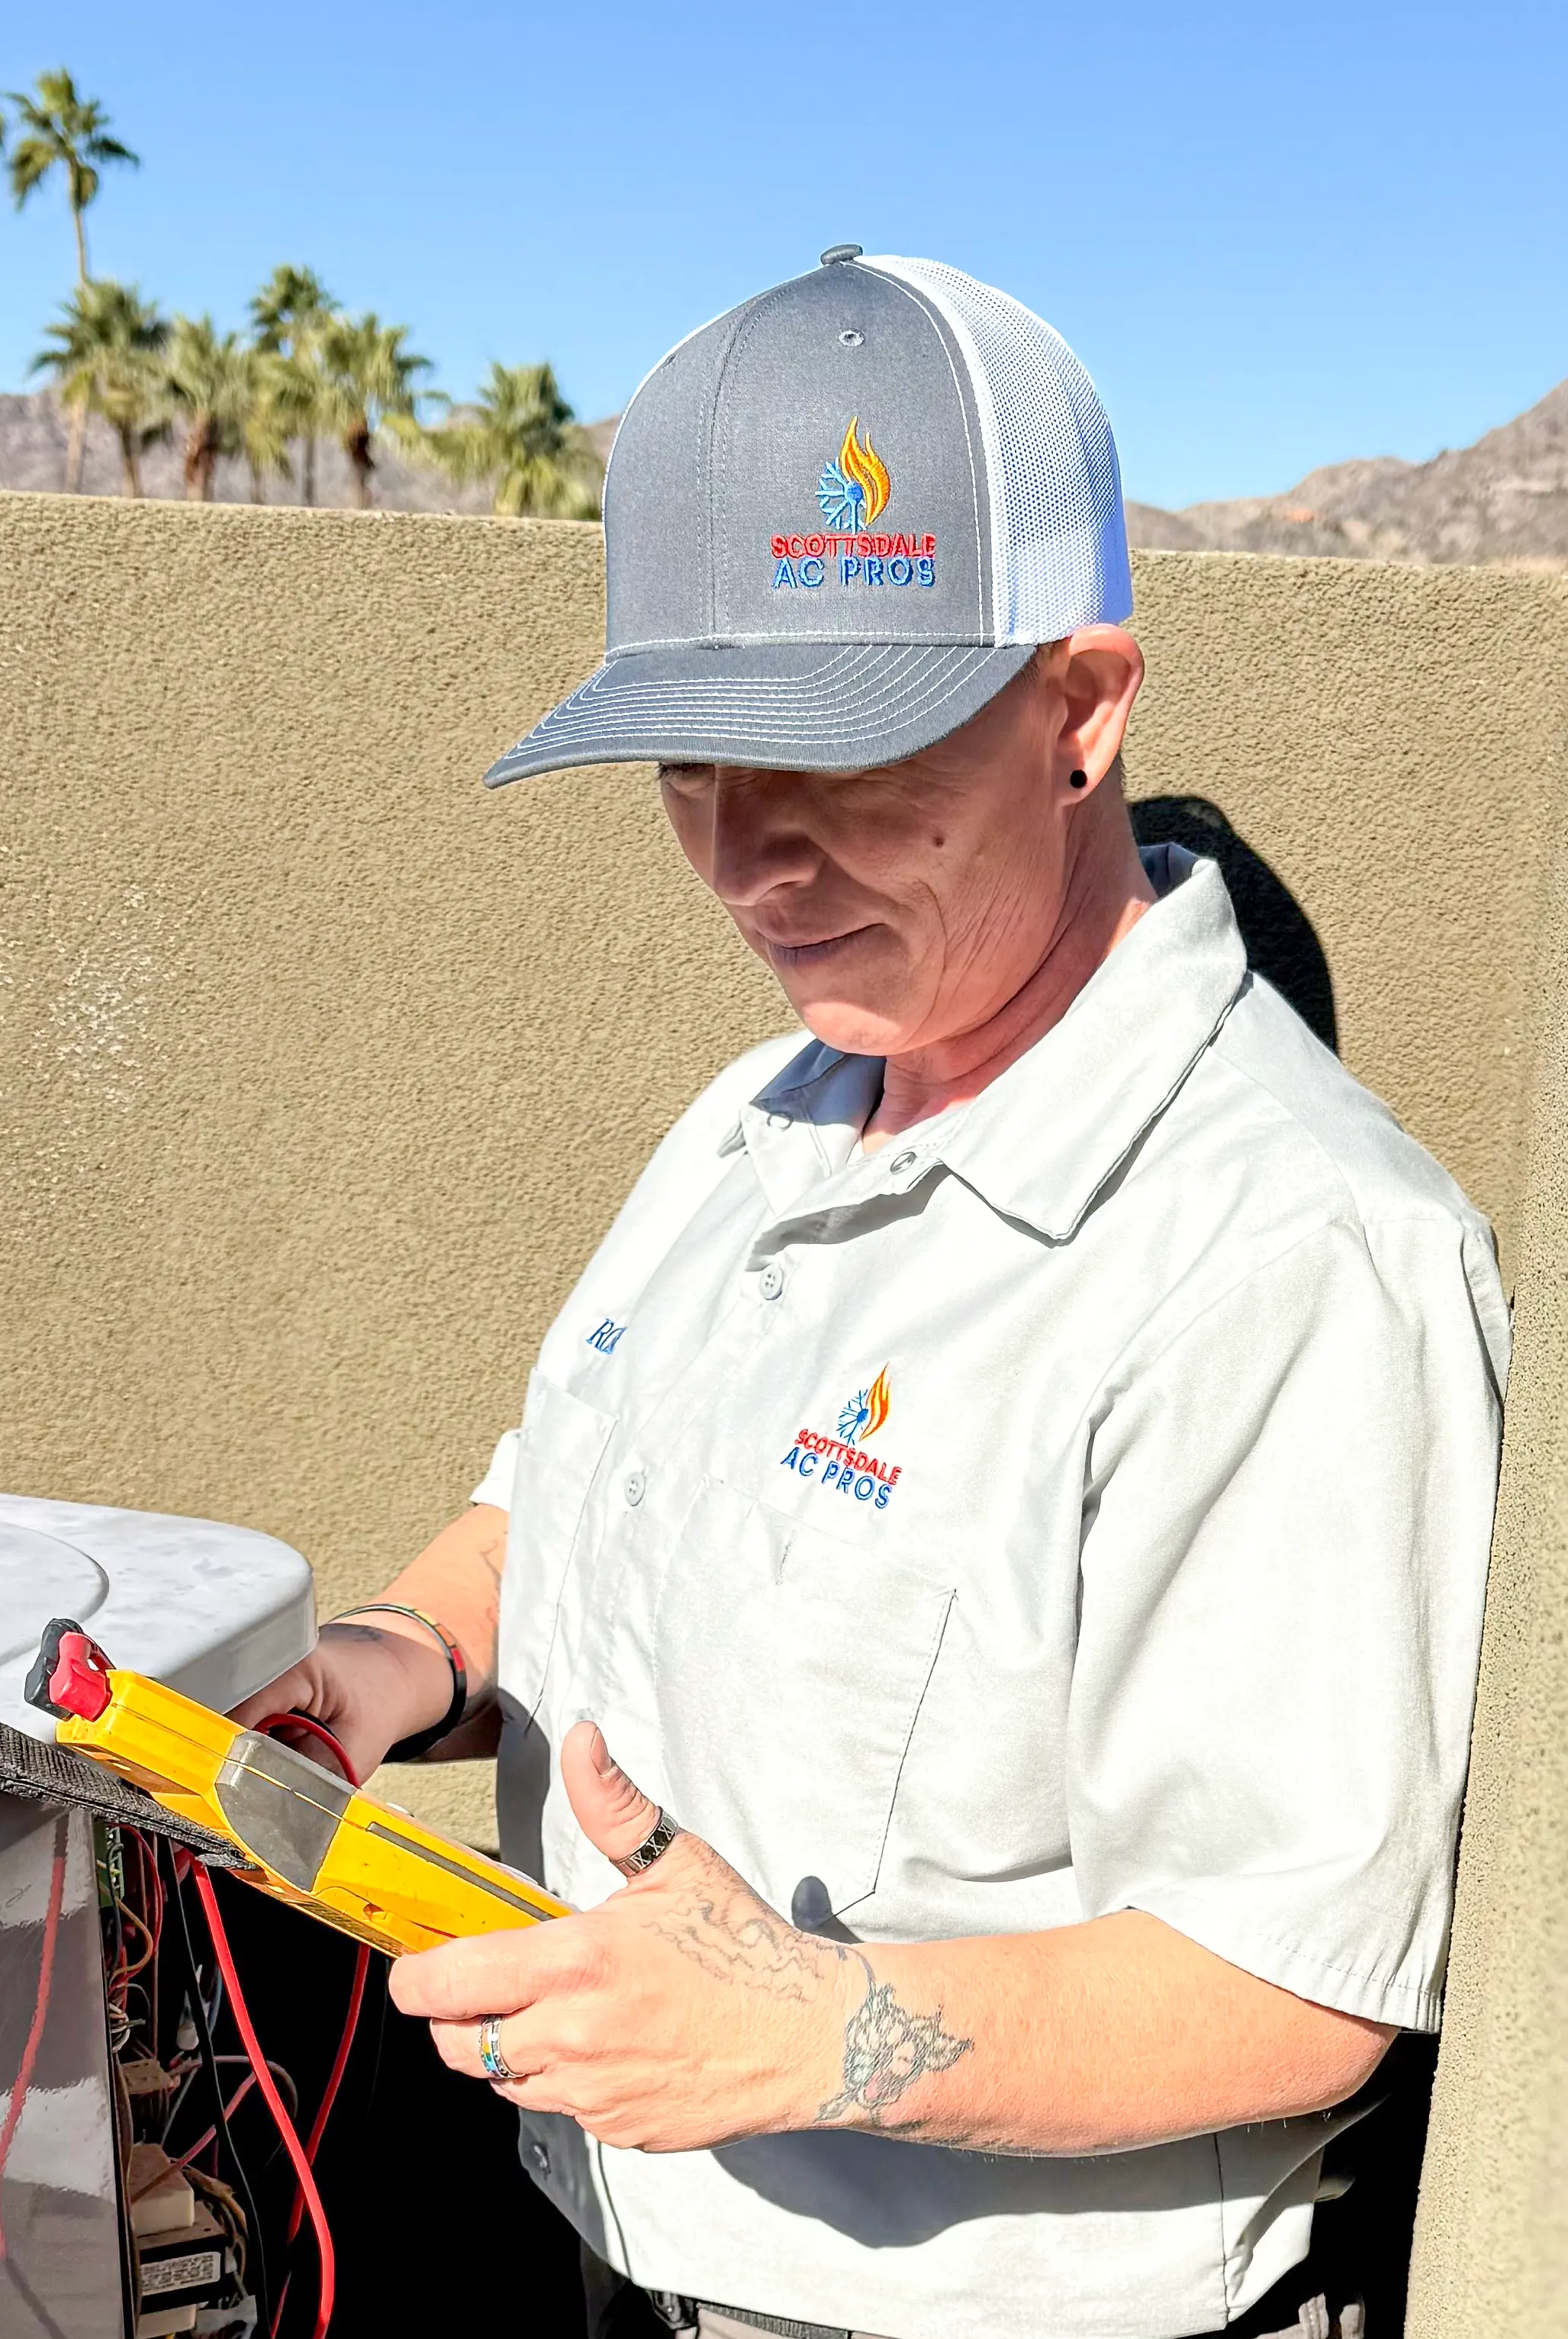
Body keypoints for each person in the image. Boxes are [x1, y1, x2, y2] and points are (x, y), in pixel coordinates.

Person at [236, 251, 1506, 2339]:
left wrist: (819, 2035)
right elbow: (570, 1482)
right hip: (615, 2245)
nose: (755, 858)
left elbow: (1296, 1992)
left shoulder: (1293, 1257)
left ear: (1082, 709)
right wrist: (379, 1670)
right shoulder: (769, 1111)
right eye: (690, 768)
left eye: (840, 758)